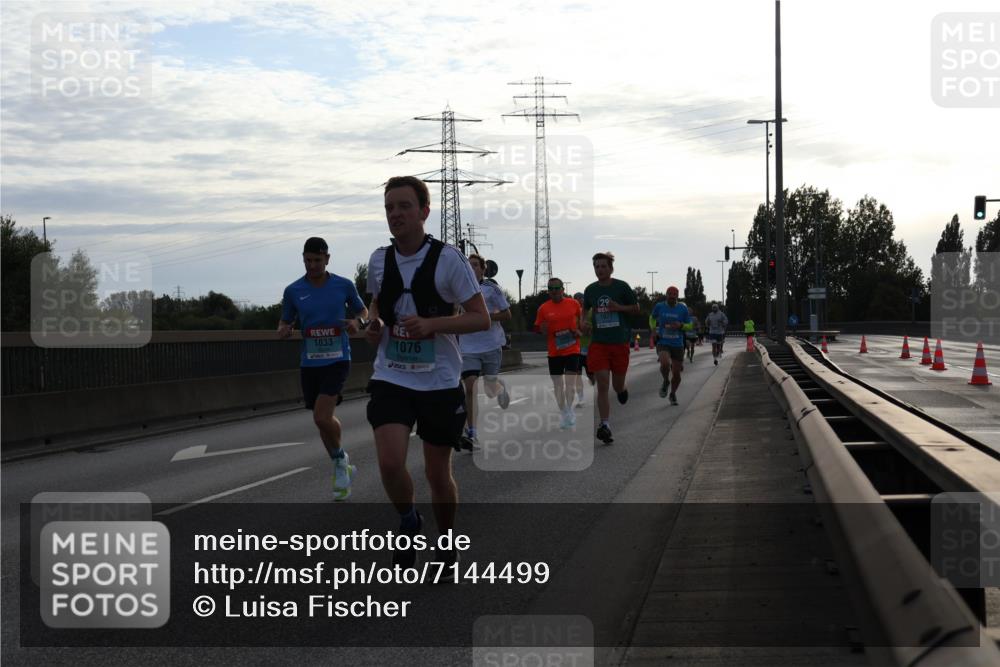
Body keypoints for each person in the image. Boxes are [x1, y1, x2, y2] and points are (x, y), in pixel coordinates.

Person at [364, 176, 490, 572]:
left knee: (438, 473)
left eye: (403, 206)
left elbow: (480, 318)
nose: (395, 214)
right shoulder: (378, 260)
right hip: (392, 374)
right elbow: (376, 306)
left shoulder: (448, 260)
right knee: (388, 462)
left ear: (424, 211)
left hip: (438, 379)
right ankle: (408, 520)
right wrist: (371, 323)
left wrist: (432, 326)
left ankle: (447, 544)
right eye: (389, 208)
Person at [279, 237, 368, 501]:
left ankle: (340, 463)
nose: (312, 265)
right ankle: (341, 463)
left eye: (317, 260)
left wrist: (357, 323)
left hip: (338, 358)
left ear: (327, 259)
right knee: (322, 421)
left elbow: (363, 311)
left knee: (321, 416)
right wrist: (284, 330)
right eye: (308, 260)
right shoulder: (293, 290)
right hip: (310, 362)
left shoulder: (343, 285)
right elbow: (284, 321)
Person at [581, 252, 639, 444]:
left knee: (616, 385)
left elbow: (636, 308)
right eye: (596, 267)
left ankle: (622, 390)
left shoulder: (621, 287)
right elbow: (585, 309)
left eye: (603, 266)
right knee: (603, 383)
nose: (600, 270)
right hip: (599, 343)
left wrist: (619, 308)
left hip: (619, 342)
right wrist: (583, 323)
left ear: (611, 268)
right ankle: (604, 424)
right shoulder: (590, 290)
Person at [458, 253, 512, 451]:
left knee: (490, 388)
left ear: (482, 269)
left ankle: (499, 387)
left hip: (490, 344)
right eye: (468, 265)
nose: (471, 268)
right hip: (468, 347)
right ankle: (472, 433)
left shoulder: (491, 289)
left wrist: (487, 316)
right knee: (470, 387)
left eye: (475, 265)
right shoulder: (458, 290)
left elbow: (507, 314)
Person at [534, 278, 582, 429]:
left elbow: (582, 321)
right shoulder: (543, 308)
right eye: (551, 288)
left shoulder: (573, 304)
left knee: (569, 383)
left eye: (557, 288)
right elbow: (537, 327)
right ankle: (564, 412)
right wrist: (541, 329)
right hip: (554, 352)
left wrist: (579, 331)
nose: (554, 291)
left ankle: (569, 411)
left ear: (563, 289)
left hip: (572, 349)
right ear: (548, 291)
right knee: (557, 385)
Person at [651, 286, 691, 405]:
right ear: (666, 294)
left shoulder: (682, 309)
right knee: (665, 363)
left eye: (675, 294)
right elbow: (652, 318)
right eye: (670, 294)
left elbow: (690, 325)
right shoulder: (660, 306)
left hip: (678, 344)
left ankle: (673, 394)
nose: (672, 296)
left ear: (677, 296)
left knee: (677, 374)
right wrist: (653, 329)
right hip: (664, 342)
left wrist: (681, 325)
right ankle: (665, 381)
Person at [573, 292, 592, 402]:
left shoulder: (590, 312)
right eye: (576, 299)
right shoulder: (572, 314)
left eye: (580, 298)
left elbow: (592, 329)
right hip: (576, 349)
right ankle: (581, 398)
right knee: (577, 375)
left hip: (589, 349)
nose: (578, 301)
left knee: (591, 376)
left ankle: (593, 383)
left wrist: (588, 330)